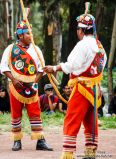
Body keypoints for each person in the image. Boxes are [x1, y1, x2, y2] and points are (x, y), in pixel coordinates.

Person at [43, 13, 107, 159]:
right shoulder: (99, 45)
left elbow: (72, 65)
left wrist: (54, 68)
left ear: (82, 30)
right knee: (91, 121)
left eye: (78, 29)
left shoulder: (83, 45)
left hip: (82, 88)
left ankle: (68, 153)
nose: (77, 31)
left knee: (72, 119)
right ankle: (91, 152)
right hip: (95, 89)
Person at [0, 20, 53, 151]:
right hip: (15, 87)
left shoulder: (36, 49)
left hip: (32, 87)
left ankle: (40, 141)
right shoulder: (10, 49)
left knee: (35, 113)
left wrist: (35, 81)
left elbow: (41, 68)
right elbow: (3, 66)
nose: (31, 36)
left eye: (31, 33)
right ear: (20, 36)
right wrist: (13, 79)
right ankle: (17, 141)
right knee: (16, 114)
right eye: (28, 34)